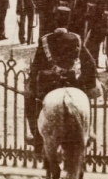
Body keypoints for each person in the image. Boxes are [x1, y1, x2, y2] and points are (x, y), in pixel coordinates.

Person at [25, 26, 83, 154]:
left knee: (30, 101)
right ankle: (88, 133)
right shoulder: (77, 38)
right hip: (71, 82)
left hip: (50, 84)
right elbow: (87, 62)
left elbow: (36, 65)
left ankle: (38, 141)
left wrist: (32, 83)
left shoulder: (46, 40)